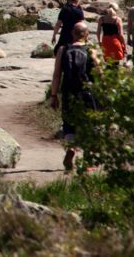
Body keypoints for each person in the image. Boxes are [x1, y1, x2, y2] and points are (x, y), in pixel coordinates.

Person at [50, 22, 100, 171]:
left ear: (72, 33)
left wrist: (53, 95)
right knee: (90, 124)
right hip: (88, 93)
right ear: (86, 34)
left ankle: (71, 148)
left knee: (69, 124)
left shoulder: (63, 49)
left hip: (68, 92)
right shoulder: (91, 50)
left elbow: (56, 75)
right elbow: (99, 72)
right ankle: (88, 161)